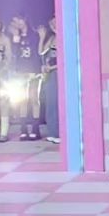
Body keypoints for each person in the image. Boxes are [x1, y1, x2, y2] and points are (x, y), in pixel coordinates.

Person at [9, 15, 41, 140]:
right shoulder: (16, 37)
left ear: (25, 20)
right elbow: (15, 54)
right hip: (21, 72)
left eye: (19, 20)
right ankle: (23, 129)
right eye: (15, 21)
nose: (18, 23)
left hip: (33, 71)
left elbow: (37, 53)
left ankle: (35, 129)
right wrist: (16, 38)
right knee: (22, 100)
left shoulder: (34, 35)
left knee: (34, 99)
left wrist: (36, 70)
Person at [38, 15, 59, 143]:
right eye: (52, 24)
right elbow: (41, 52)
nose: (54, 26)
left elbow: (65, 59)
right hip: (49, 74)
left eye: (56, 23)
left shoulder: (65, 38)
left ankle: (59, 132)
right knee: (50, 102)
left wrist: (52, 68)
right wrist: (42, 37)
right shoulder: (51, 38)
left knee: (57, 102)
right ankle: (52, 131)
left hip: (57, 72)